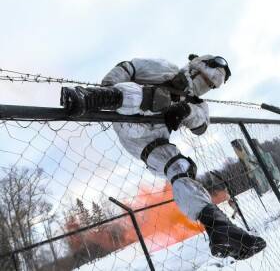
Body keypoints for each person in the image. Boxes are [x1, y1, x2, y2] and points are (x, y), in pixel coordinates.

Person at [60, 54, 266, 260]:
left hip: (151, 141)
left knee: (180, 169)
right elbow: (128, 68)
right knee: (158, 97)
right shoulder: (165, 69)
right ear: (195, 68)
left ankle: (220, 228)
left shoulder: (198, 105)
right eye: (205, 79)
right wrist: (107, 91)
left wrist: (186, 111)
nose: (205, 87)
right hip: (126, 116)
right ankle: (87, 98)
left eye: (211, 86)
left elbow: (201, 125)